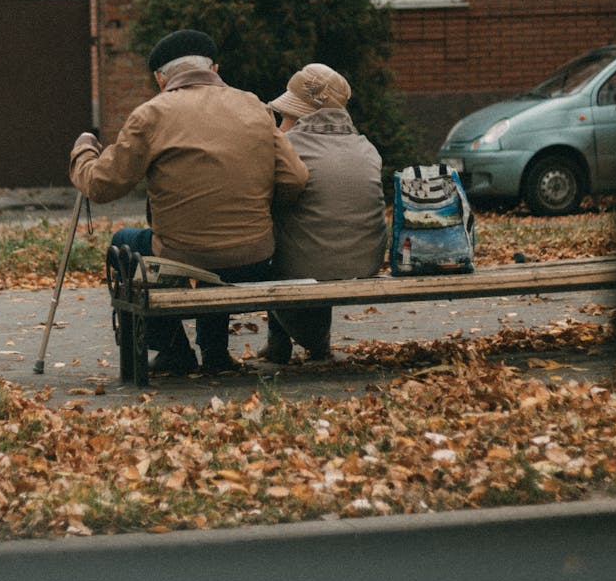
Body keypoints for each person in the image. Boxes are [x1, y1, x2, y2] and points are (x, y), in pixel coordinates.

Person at [69, 29, 308, 375]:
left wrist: (83, 150)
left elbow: (102, 185)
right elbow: (295, 179)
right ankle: (214, 353)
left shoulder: (151, 115)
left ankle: (173, 350)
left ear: (159, 78)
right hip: (256, 257)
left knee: (124, 242)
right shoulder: (254, 106)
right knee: (219, 247)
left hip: (183, 260)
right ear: (214, 67)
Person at [260, 62, 388, 364]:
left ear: (303, 114)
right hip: (366, 260)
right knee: (317, 224)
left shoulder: (288, 148)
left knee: (266, 235)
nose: (282, 123)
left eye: (287, 115)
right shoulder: (366, 147)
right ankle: (302, 342)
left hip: (309, 266)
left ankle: (285, 340)